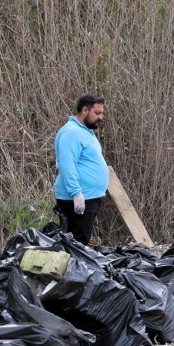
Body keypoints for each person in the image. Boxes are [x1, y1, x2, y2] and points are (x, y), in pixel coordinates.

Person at [54, 94, 109, 245]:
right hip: (76, 199)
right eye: (97, 113)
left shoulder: (85, 131)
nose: (101, 117)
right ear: (85, 110)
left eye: (101, 113)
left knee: (79, 244)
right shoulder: (71, 133)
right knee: (75, 245)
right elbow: (67, 165)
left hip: (88, 197)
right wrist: (76, 193)